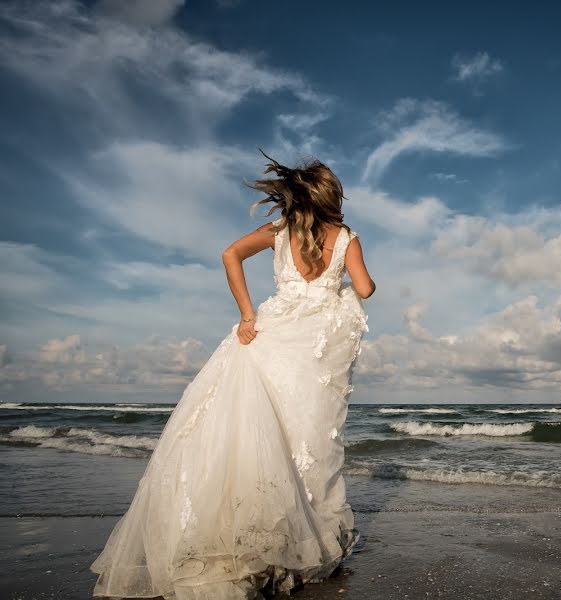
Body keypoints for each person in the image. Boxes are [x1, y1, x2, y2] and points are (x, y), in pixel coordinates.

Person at [90, 149, 376, 600]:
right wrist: (340, 280)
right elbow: (364, 289)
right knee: (310, 440)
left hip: (273, 337)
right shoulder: (346, 238)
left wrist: (247, 315)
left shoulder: (278, 233)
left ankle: (252, 536)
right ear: (332, 197)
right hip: (315, 353)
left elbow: (230, 254)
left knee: (261, 431)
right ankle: (300, 543)